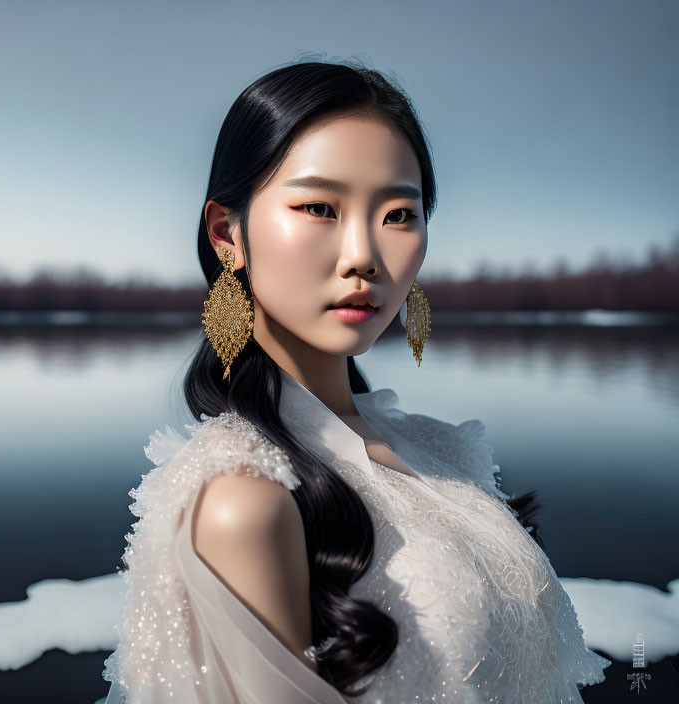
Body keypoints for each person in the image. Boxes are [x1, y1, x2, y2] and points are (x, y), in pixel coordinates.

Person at [101, 56, 611, 703]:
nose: (364, 255)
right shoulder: (247, 503)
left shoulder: (437, 447)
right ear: (228, 234)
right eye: (319, 207)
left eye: (399, 214)